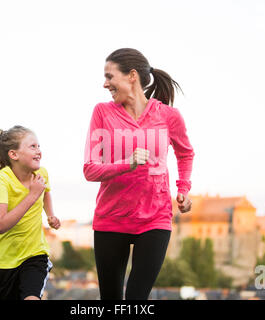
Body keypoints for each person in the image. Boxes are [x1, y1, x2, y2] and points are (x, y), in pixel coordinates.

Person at [83, 48, 195, 300]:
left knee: (136, 301)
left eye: (110, 76)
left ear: (132, 75)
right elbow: (90, 169)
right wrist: (127, 163)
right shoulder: (102, 113)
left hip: (155, 219)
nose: (105, 83)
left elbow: (185, 153)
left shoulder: (168, 116)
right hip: (111, 218)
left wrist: (183, 190)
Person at [0, 125, 61, 300]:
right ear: (14, 154)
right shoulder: (2, 180)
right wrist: (32, 195)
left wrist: (50, 215)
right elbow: (1, 225)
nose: (39, 150)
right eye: (32, 146)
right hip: (4, 262)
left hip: (35, 255)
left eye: (39, 146)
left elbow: (45, 192)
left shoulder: (42, 174)